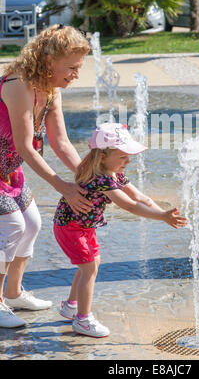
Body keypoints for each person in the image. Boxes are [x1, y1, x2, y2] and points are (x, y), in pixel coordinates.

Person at [53, 122, 187, 338]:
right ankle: (83, 320)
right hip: (70, 227)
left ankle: (71, 306)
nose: (128, 161)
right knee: (89, 268)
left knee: (91, 264)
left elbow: (140, 198)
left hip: (83, 226)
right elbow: (130, 206)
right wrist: (161, 216)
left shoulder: (113, 174)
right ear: (103, 156)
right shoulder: (101, 179)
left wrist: (164, 214)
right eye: (123, 156)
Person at [0, 25, 92, 328]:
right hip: (7, 165)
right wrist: (62, 186)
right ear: (50, 60)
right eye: (72, 67)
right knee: (12, 227)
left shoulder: (50, 92)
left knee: (33, 224)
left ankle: (12, 293)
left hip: (9, 171)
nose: (77, 74)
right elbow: (26, 147)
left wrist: (88, 177)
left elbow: (61, 142)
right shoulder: (18, 85)